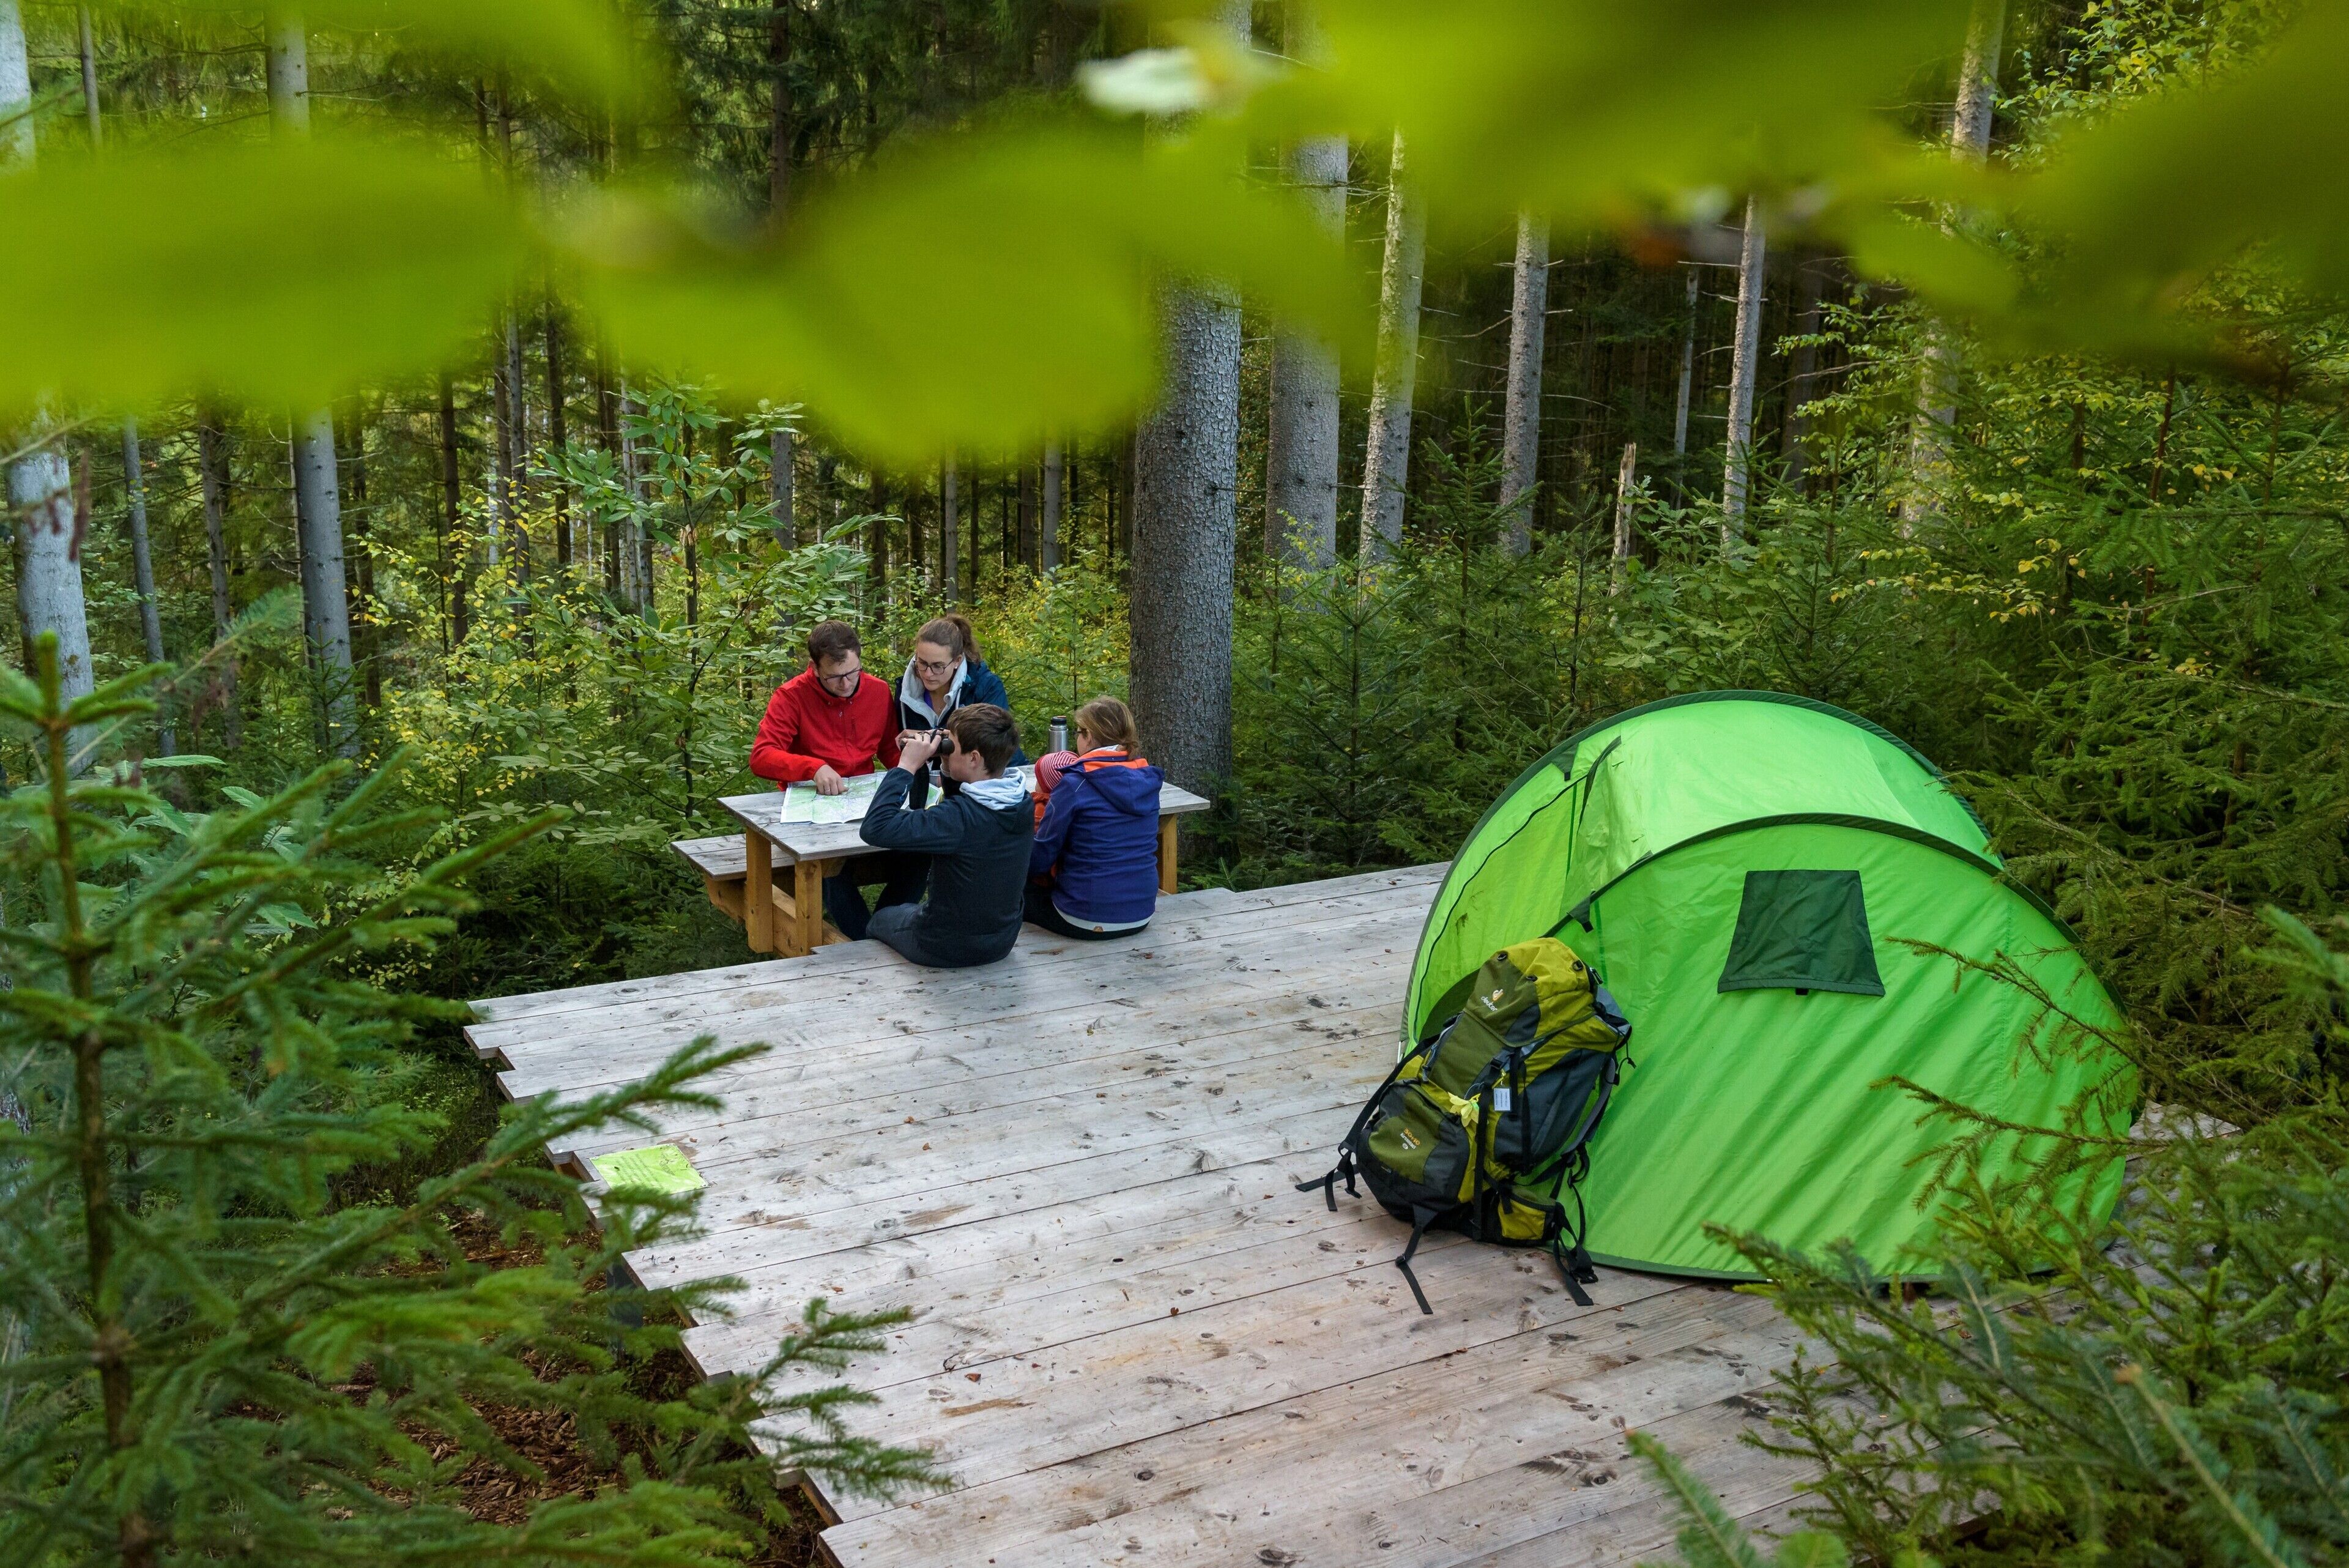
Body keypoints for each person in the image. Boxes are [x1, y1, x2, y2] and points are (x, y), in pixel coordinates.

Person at [748, 619, 920, 939]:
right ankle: (868, 942)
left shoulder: (878, 691)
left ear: (859, 659)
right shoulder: (791, 697)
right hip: (815, 817)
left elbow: (888, 749)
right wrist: (812, 768)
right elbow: (761, 756)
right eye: (835, 677)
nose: (846, 684)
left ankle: (879, 930)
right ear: (814, 668)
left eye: (853, 672)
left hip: (866, 804)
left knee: (922, 850)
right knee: (827, 868)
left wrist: (914, 775)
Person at [860, 704, 1035, 968]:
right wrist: (947, 761)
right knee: (906, 910)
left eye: (950, 746)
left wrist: (906, 766)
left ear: (974, 758)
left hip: (944, 946)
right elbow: (970, 808)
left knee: (881, 918)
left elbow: (875, 827)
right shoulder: (1020, 800)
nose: (945, 747)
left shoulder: (958, 819)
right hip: (1001, 941)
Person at [1026, 696, 1165, 940]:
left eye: (1079, 732)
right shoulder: (1147, 779)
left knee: (1013, 892)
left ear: (1089, 736)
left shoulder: (1075, 784)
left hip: (1087, 916)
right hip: (1142, 912)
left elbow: (1040, 860)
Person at [894, 614, 1028, 765]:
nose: (928, 673)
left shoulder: (986, 686)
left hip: (999, 775)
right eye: (922, 662)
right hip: (938, 780)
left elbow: (995, 742)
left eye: (938, 666)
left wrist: (931, 738)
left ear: (957, 661)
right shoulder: (906, 691)